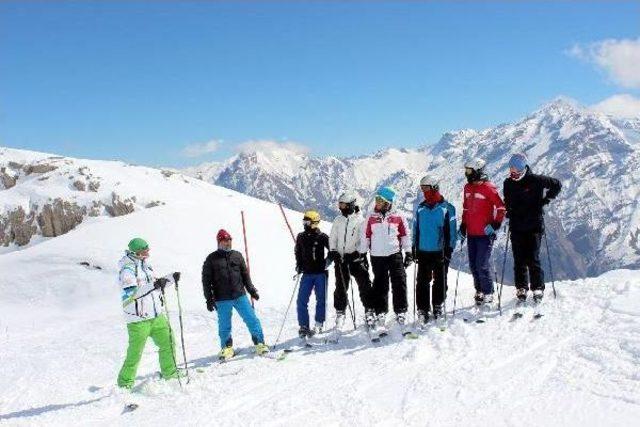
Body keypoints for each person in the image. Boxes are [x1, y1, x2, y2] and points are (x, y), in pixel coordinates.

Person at [117, 237, 182, 389]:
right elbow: (133, 293)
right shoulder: (127, 270)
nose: (148, 251)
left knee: (169, 342)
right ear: (137, 252)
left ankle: (170, 373)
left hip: (156, 315)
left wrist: (170, 278)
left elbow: (155, 286)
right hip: (138, 319)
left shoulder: (146, 266)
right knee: (135, 353)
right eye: (145, 249)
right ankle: (124, 383)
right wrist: (153, 285)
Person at [503, 153, 562, 304]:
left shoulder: (535, 180)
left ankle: (538, 287)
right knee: (518, 259)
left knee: (533, 258)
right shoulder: (508, 183)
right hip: (516, 226)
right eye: (511, 170)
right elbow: (507, 200)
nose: (512, 173)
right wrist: (508, 210)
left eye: (515, 170)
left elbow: (556, 184)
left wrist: (546, 199)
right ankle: (521, 287)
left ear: (523, 168)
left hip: (533, 225)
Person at [202, 229, 268, 361]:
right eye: (225, 241)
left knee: (252, 319)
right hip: (222, 298)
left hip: (240, 295)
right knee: (224, 325)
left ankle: (259, 343)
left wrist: (251, 290)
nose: (228, 243)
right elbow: (206, 280)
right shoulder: (211, 259)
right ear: (219, 242)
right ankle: (226, 348)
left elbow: (245, 275)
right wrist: (209, 299)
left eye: (229, 240)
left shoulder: (237, 255)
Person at [360, 186, 412, 333]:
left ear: (388, 202)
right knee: (380, 284)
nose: (376, 202)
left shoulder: (398, 216)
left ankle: (400, 311)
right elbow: (366, 236)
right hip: (377, 255)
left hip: (394, 253)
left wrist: (408, 253)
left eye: (380, 200)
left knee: (399, 281)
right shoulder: (371, 217)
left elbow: (405, 235)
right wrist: (363, 254)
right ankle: (381, 312)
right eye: (376, 199)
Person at [458, 158, 506, 307]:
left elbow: (501, 208)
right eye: (466, 171)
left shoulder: (489, 188)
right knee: (473, 264)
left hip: (485, 234)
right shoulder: (467, 188)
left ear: (478, 171)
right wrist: (463, 225)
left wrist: (495, 224)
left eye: (469, 171)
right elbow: (466, 208)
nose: (467, 173)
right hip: (472, 233)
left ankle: (488, 292)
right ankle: (479, 290)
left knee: (482, 264)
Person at [413, 175, 457, 326]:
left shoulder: (447, 208)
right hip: (424, 250)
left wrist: (449, 249)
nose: (423, 191)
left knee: (440, 280)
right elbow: (416, 229)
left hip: (440, 251)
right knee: (422, 282)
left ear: (434, 188)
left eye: (426, 188)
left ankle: (438, 305)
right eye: (422, 188)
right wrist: (414, 247)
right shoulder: (421, 208)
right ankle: (422, 309)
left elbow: (452, 231)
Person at [328, 191, 374, 329]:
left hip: (355, 259)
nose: (340, 208)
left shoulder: (360, 221)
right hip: (341, 260)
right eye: (339, 205)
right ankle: (340, 312)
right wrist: (334, 251)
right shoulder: (338, 220)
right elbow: (333, 238)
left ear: (350, 205)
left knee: (364, 284)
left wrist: (357, 253)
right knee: (341, 287)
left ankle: (370, 310)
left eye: (343, 205)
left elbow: (363, 240)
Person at [295, 210, 330, 338]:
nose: (305, 224)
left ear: (314, 223)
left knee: (321, 299)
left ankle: (319, 323)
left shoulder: (322, 237)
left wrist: (327, 262)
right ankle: (304, 326)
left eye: (307, 222)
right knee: (301, 301)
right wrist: (298, 265)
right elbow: (298, 252)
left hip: (320, 274)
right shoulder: (301, 236)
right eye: (304, 221)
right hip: (307, 274)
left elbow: (332, 250)